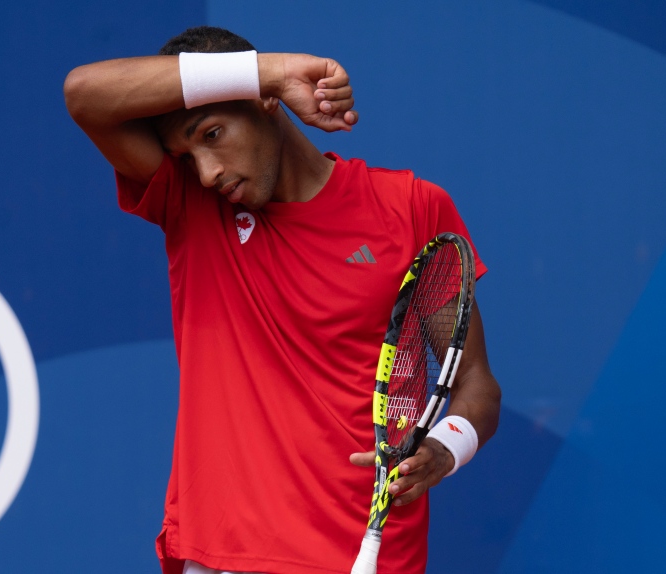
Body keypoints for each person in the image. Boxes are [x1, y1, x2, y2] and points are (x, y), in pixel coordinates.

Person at [64, 26, 501, 574]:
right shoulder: (192, 205)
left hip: (377, 555)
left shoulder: (410, 207)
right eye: (187, 152)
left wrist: (443, 450)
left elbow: (476, 386)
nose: (206, 170)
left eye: (213, 134)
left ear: (265, 105)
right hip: (229, 554)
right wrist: (273, 68)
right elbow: (84, 94)